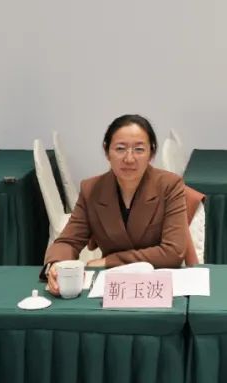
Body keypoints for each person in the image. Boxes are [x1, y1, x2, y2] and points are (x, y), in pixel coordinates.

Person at [43, 114, 187, 295]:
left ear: (151, 153)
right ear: (107, 151)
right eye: (120, 149)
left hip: (158, 287)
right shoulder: (92, 189)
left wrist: (110, 261)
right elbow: (68, 241)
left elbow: (173, 252)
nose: (129, 159)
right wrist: (57, 264)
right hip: (112, 288)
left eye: (139, 149)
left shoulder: (169, 185)